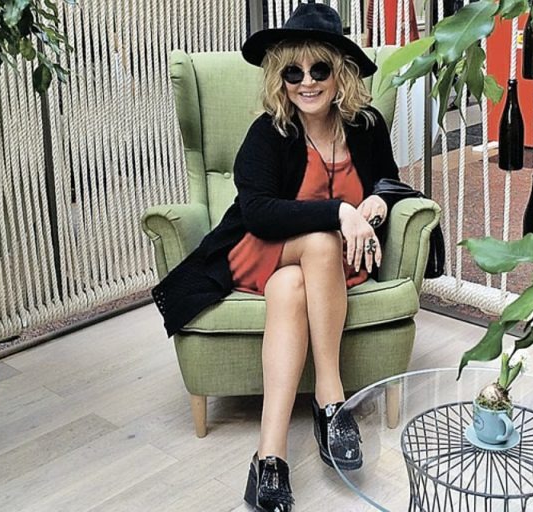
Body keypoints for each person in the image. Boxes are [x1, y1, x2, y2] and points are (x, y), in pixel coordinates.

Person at [152, 3, 406, 510]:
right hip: (262, 249)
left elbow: (389, 180)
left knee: (291, 286)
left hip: (326, 271)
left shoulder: (366, 126)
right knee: (322, 239)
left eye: (319, 69)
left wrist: (377, 202)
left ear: (341, 73)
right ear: (280, 77)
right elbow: (259, 214)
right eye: (293, 71)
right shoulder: (269, 132)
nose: (306, 82)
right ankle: (331, 401)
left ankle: (269, 458)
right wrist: (340, 212)